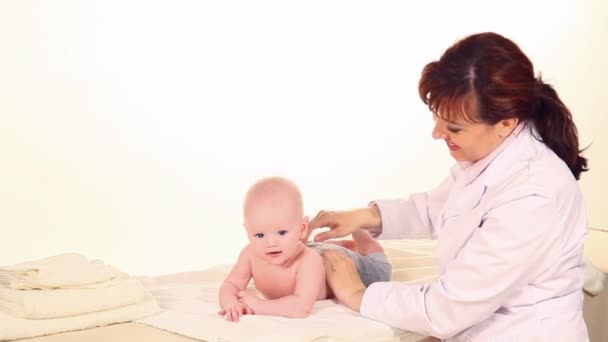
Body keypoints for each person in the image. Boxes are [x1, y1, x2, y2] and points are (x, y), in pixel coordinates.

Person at [309, 32, 590, 341]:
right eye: (437, 117)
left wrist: (358, 294)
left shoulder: (533, 197)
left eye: (453, 127)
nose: (437, 133)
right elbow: (441, 206)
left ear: (506, 122)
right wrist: (363, 216)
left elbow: (446, 310)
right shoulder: (493, 154)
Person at [217, 176, 391, 322]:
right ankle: (342, 243)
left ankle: (357, 228)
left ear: (302, 228)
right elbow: (230, 284)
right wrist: (230, 303)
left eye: (282, 232)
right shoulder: (250, 254)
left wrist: (259, 306)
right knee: (322, 248)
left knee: (378, 263)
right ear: (247, 230)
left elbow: (301, 307)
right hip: (309, 249)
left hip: (343, 265)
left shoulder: (308, 261)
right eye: (259, 235)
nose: (270, 243)